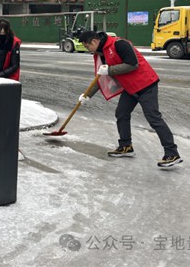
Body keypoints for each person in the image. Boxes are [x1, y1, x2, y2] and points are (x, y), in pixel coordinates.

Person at [77, 31, 182, 168]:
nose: (88, 50)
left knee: (153, 118)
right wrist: (87, 95)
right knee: (121, 113)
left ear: (94, 41)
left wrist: (109, 70)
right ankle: (126, 146)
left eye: (87, 46)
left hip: (146, 85)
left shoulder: (119, 44)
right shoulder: (101, 53)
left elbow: (132, 64)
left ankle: (172, 153)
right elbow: (101, 77)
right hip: (130, 88)